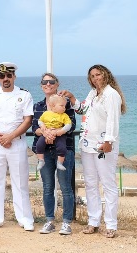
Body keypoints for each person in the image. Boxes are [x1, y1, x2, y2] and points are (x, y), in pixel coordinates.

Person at [61, 64, 127, 239]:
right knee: (90, 183)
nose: (95, 78)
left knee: (108, 184)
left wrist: (109, 141)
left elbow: (113, 120)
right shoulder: (92, 94)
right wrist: (72, 97)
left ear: (106, 75)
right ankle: (93, 221)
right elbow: (82, 109)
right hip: (87, 144)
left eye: (98, 74)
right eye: (92, 76)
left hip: (103, 144)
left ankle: (111, 225)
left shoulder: (111, 94)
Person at [0, 62, 35, 231]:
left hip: (17, 143)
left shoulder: (24, 95)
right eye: (2, 76)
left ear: (14, 77)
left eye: (8, 76)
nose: (5, 79)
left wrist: (10, 136)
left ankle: (25, 219)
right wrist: (0, 137)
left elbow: (28, 120)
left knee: (20, 182)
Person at [32, 73, 76, 236]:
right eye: (45, 82)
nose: (48, 84)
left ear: (57, 84)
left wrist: (55, 133)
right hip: (44, 151)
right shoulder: (38, 106)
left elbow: (71, 125)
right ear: (41, 85)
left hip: (64, 150)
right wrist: (45, 132)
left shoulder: (65, 104)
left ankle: (66, 222)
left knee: (66, 188)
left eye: (51, 81)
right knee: (47, 187)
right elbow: (34, 128)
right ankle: (49, 221)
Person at [35, 94, 71, 171]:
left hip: (59, 135)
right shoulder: (46, 113)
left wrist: (62, 131)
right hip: (46, 133)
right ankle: (41, 160)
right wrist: (42, 126)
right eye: (61, 106)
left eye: (64, 106)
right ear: (53, 106)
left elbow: (69, 125)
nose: (64, 108)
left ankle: (60, 163)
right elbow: (40, 121)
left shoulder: (64, 115)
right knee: (39, 145)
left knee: (62, 147)